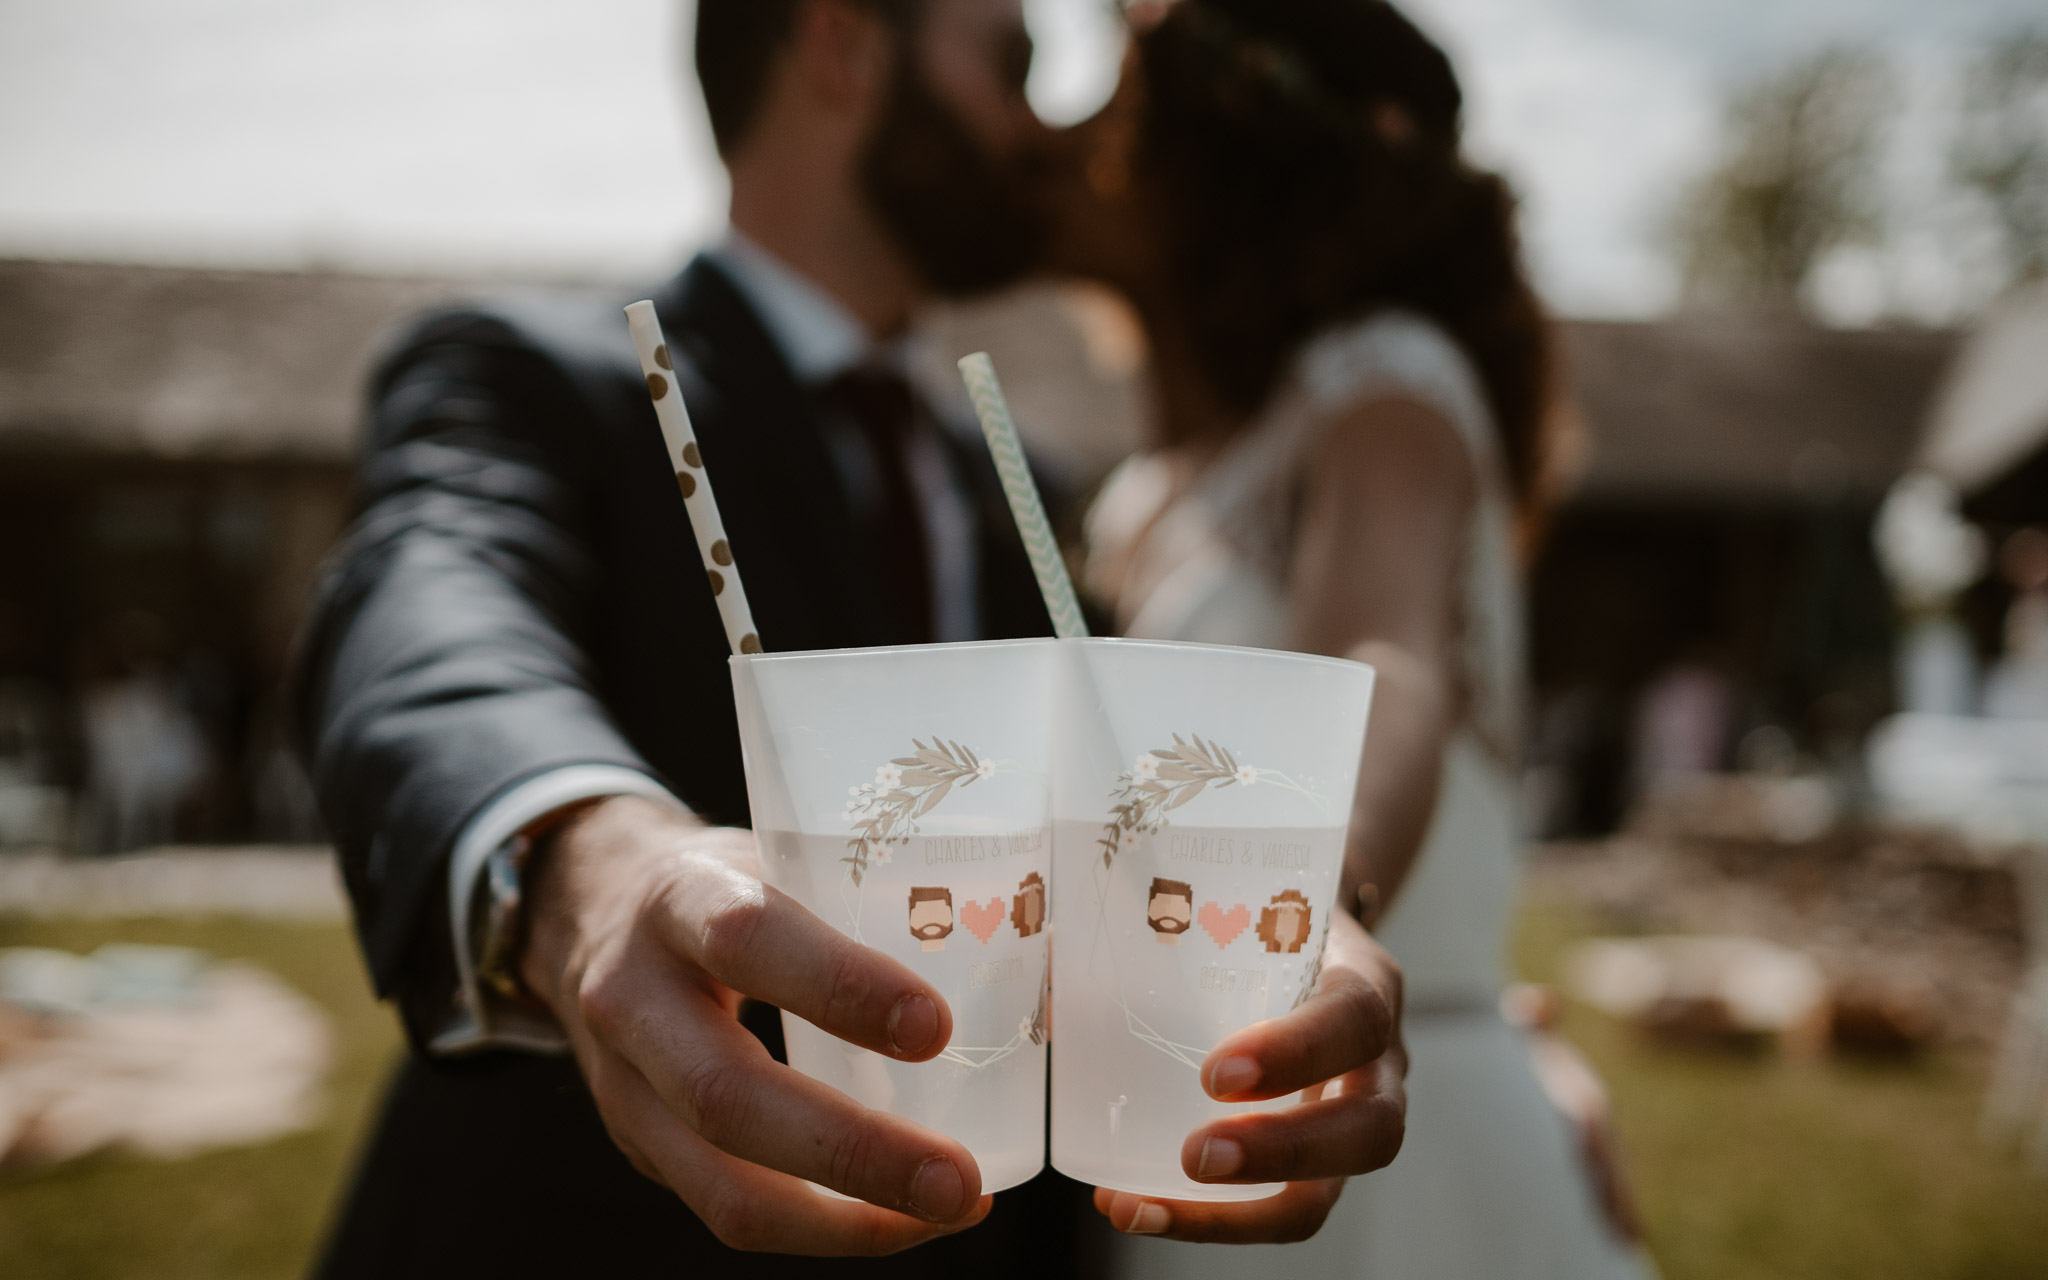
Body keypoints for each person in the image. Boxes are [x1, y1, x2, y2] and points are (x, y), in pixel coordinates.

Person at [291, 1, 1406, 1274]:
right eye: (1011, 65)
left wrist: (1338, 939)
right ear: (841, 41)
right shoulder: (534, 375)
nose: (1043, 132)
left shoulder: (1022, 479)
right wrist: (585, 869)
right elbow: (427, 611)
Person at [1056, 1, 1651, 1273]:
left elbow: (1384, 655)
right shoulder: (1173, 474)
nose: (1082, 139)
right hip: (1192, 1103)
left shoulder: (1382, 383)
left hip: (1374, 1126)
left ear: (1219, 162)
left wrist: (1309, 894)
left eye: (1114, 108)